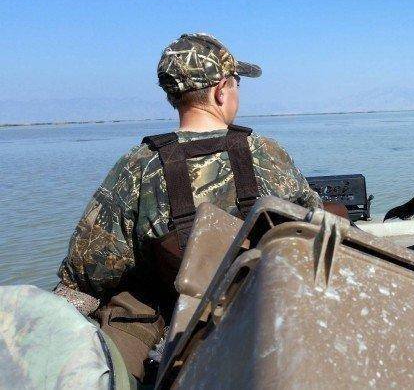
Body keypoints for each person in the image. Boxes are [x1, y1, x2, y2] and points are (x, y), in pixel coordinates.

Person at [54, 33, 321, 381]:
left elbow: (88, 270)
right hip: (260, 318)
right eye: (236, 83)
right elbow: (310, 223)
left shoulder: (138, 166)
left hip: (175, 335)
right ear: (221, 90)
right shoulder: (268, 155)